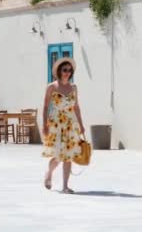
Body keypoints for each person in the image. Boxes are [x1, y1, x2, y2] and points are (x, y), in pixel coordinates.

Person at [41, 57, 86, 194]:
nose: (67, 72)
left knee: (69, 155)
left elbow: (76, 107)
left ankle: (65, 186)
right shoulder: (52, 87)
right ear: (59, 71)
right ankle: (49, 172)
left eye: (69, 70)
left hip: (70, 124)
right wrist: (44, 125)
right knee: (59, 155)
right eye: (64, 70)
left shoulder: (74, 88)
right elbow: (45, 106)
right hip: (56, 124)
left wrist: (81, 125)